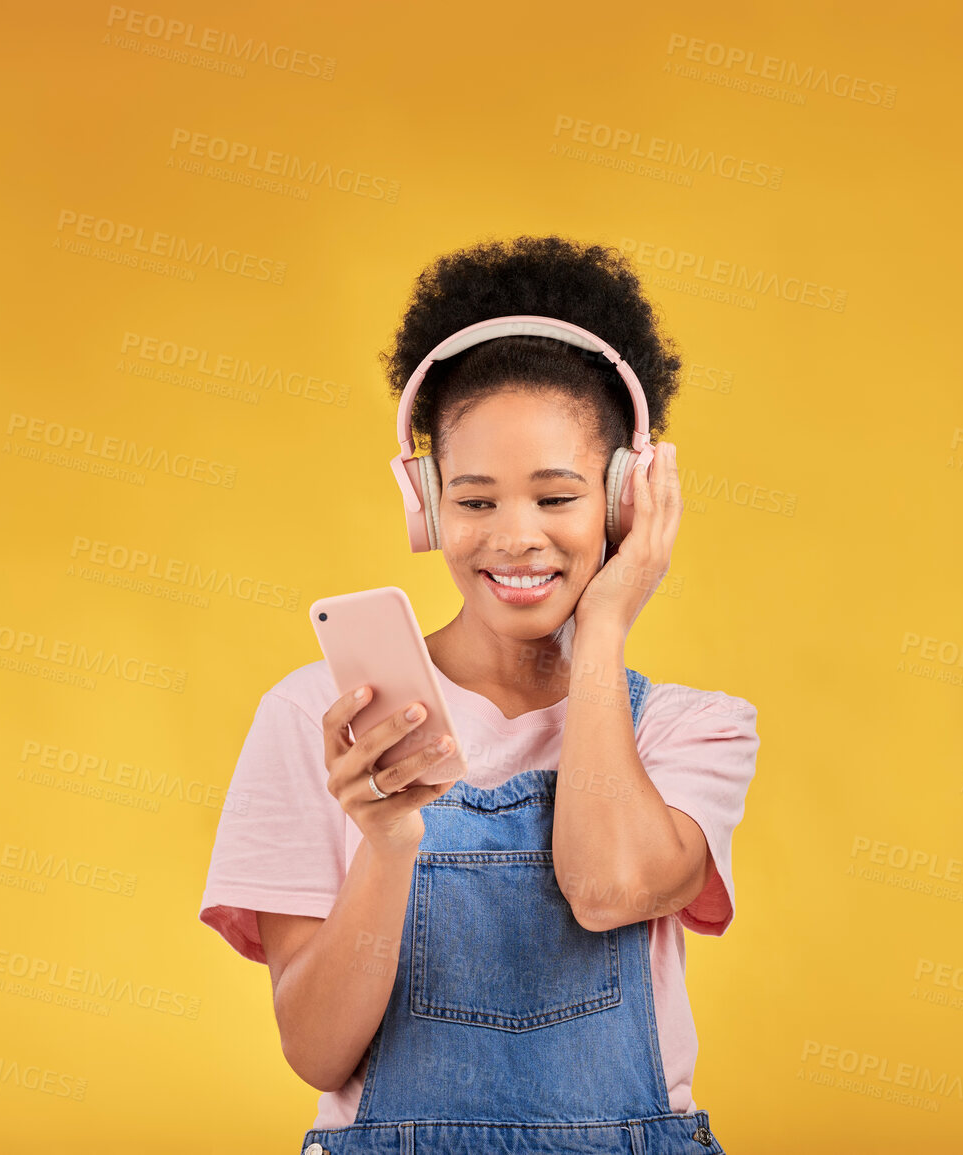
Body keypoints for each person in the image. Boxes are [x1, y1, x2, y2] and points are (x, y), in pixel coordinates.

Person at [198, 234, 760, 1154]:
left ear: (626, 501)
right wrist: (384, 840)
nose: (515, 537)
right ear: (425, 507)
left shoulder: (690, 731)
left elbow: (609, 885)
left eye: (556, 497)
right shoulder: (317, 718)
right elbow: (314, 1047)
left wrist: (605, 626)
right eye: (474, 500)